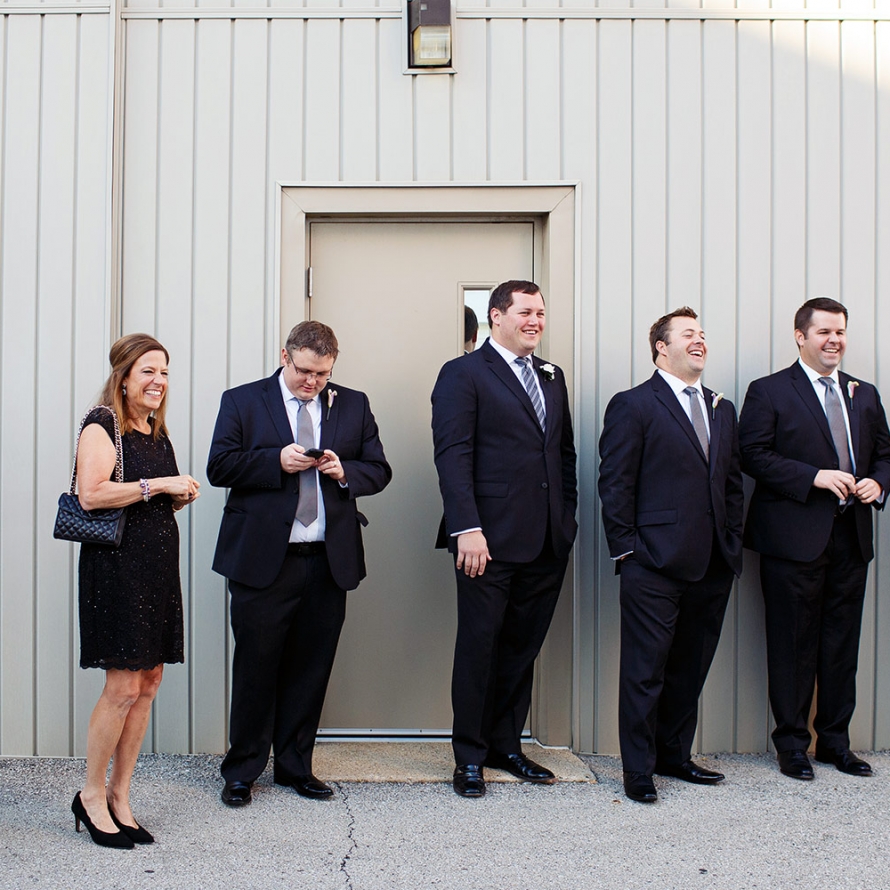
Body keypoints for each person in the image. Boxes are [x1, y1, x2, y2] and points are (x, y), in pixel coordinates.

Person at [208, 321, 391, 807]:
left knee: (311, 669)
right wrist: (275, 461)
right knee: (256, 668)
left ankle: (295, 767)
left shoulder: (353, 404)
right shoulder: (243, 400)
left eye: (323, 374)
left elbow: (379, 468)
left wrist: (344, 470)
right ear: (284, 356)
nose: (313, 382)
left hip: (328, 561)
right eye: (305, 371)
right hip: (263, 562)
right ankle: (242, 771)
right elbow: (219, 466)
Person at [431, 280, 578, 798]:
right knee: (480, 647)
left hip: (547, 540)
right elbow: (453, 455)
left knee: (521, 648)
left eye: (541, 312)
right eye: (525, 312)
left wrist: (567, 519)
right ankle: (469, 757)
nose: (535, 321)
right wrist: (466, 528)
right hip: (486, 541)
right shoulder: (464, 373)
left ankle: (505, 745)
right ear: (496, 316)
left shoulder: (552, 375)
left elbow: (562, 453)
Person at [739, 297, 890, 780]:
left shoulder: (864, 394)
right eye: (824, 331)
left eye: (840, 331)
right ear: (800, 336)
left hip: (852, 538)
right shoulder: (769, 391)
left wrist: (878, 482)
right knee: (792, 646)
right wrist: (814, 477)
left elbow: (885, 453)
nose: (834, 340)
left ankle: (835, 744)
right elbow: (751, 454)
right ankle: (792, 746)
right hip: (793, 541)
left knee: (841, 646)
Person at [598, 308, 744, 803]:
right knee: (645, 671)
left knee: (690, 667)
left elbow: (731, 484)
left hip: (713, 562)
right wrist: (627, 551)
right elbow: (615, 483)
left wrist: (731, 542)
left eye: (702, 334)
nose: (699, 340)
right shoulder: (634, 404)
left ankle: (674, 756)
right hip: (652, 563)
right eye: (687, 334)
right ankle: (638, 769)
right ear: (661, 347)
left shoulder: (722, 408)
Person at [71, 334, 200, 848]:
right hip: (117, 572)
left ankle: (120, 796)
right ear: (123, 377)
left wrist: (178, 495)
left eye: (164, 372)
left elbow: (148, 498)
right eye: (148, 371)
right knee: (122, 687)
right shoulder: (102, 424)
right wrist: (162, 485)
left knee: (148, 683)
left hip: (156, 571)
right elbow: (92, 493)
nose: (158, 381)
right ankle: (90, 795)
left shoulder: (154, 430)